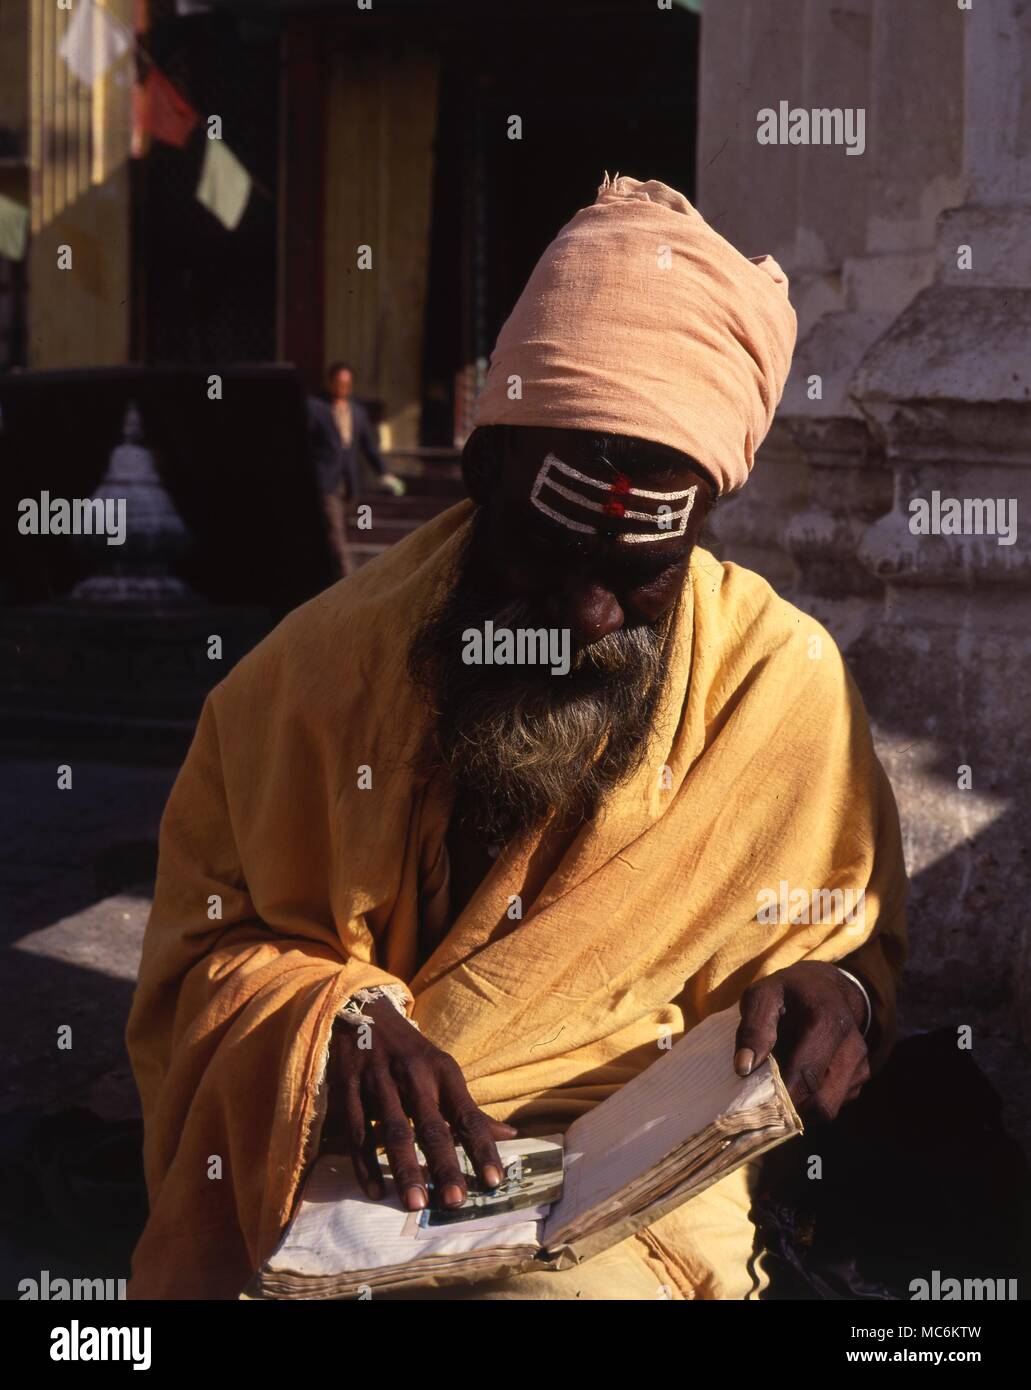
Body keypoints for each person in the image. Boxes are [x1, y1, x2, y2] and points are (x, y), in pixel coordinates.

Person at [126, 175, 907, 1300]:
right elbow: (195, 958)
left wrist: (839, 995)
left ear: (700, 531)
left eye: (637, 576)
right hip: (344, 1181)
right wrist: (331, 1026)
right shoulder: (303, 680)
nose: (586, 616)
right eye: (547, 551)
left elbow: (846, 940)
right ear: (479, 466)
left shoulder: (782, 688)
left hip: (627, 1199)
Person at [308, 361, 405, 578]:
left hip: (349, 484)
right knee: (337, 537)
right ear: (330, 383)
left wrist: (384, 473)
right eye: (339, 383)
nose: (342, 388)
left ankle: (326, 578)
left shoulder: (357, 412)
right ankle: (348, 582)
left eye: (347, 384)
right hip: (325, 484)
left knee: (338, 534)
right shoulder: (315, 408)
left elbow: (369, 447)